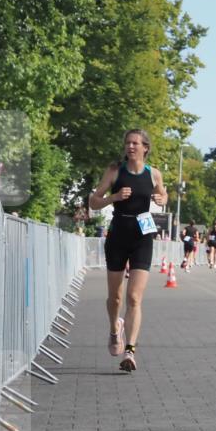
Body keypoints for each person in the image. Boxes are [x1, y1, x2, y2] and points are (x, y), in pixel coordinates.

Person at [89, 129, 167, 372]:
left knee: (134, 297)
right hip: (118, 234)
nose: (130, 146)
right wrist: (114, 197)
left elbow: (162, 193)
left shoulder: (153, 173)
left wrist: (163, 198)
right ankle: (115, 329)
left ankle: (130, 351)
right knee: (116, 297)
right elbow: (93, 201)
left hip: (143, 234)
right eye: (128, 143)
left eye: (135, 143)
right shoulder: (115, 171)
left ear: (145, 147)